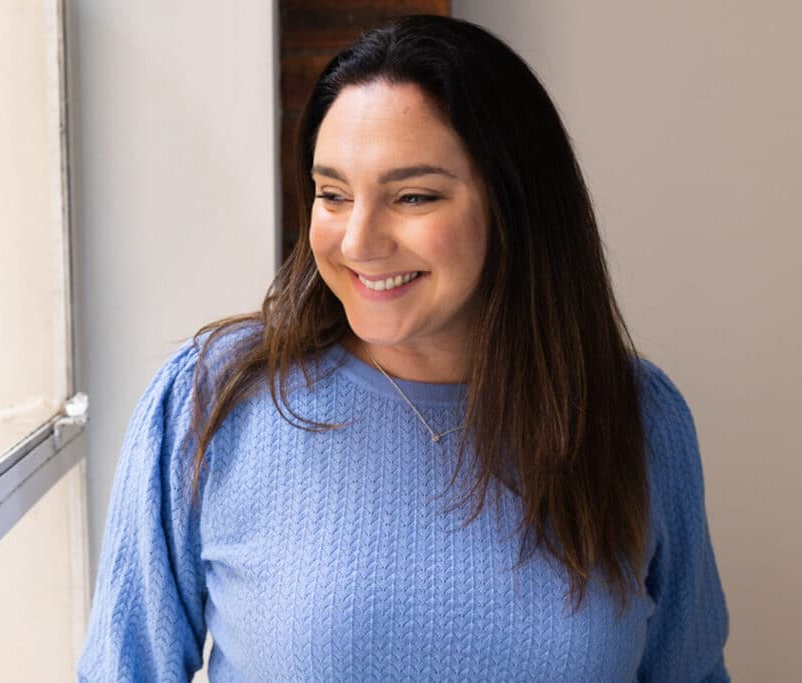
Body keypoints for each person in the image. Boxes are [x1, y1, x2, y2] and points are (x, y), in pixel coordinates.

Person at [78, 15, 729, 682]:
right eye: (333, 194)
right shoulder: (210, 401)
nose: (358, 240)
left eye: (412, 196)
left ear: (514, 205)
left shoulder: (637, 418)